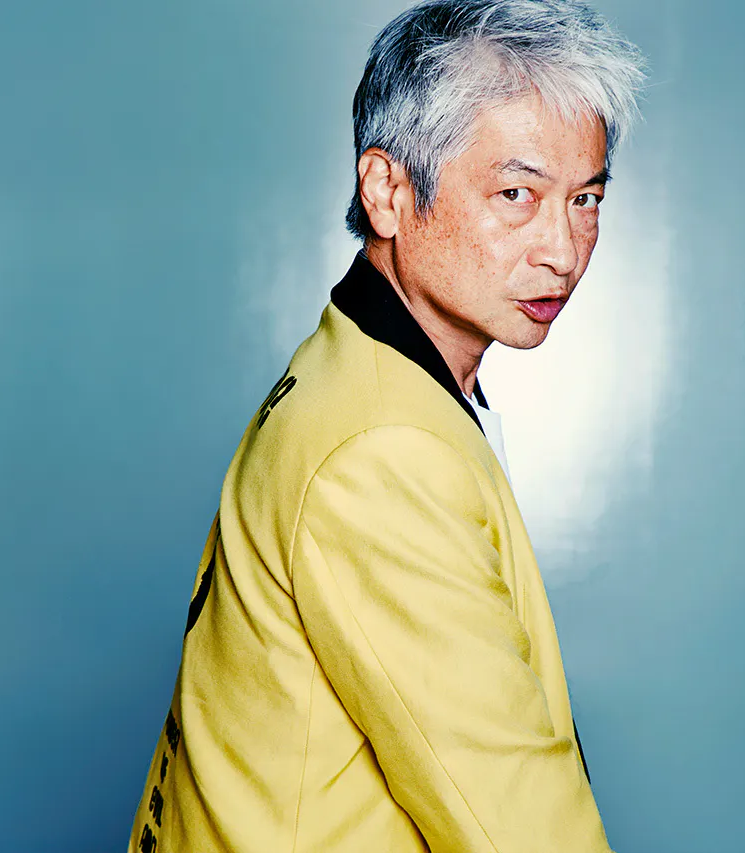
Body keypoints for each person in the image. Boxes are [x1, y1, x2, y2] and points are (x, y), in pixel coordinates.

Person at [128, 1, 645, 850]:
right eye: (516, 194)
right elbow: (521, 826)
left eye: (585, 198)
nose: (563, 248)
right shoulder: (381, 449)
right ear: (388, 192)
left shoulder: (360, 376)